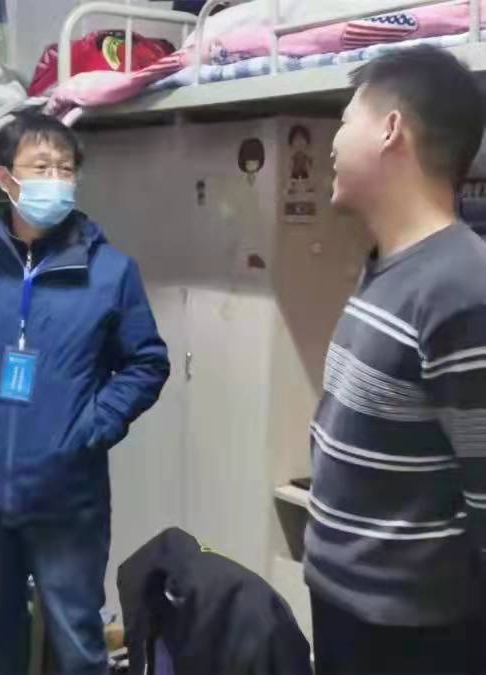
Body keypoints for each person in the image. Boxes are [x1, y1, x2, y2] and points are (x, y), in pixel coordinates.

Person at [0, 112, 170, 675]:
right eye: (40, 166)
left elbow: (146, 362)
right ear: (5, 178)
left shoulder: (110, 272)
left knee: (77, 642)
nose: (55, 179)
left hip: (68, 499)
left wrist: (90, 430)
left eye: (65, 168)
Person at [305, 45, 486, 675]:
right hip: (349, 606)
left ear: (390, 130)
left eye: (345, 120)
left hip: (412, 632)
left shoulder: (462, 288)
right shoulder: (391, 266)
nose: (332, 143)